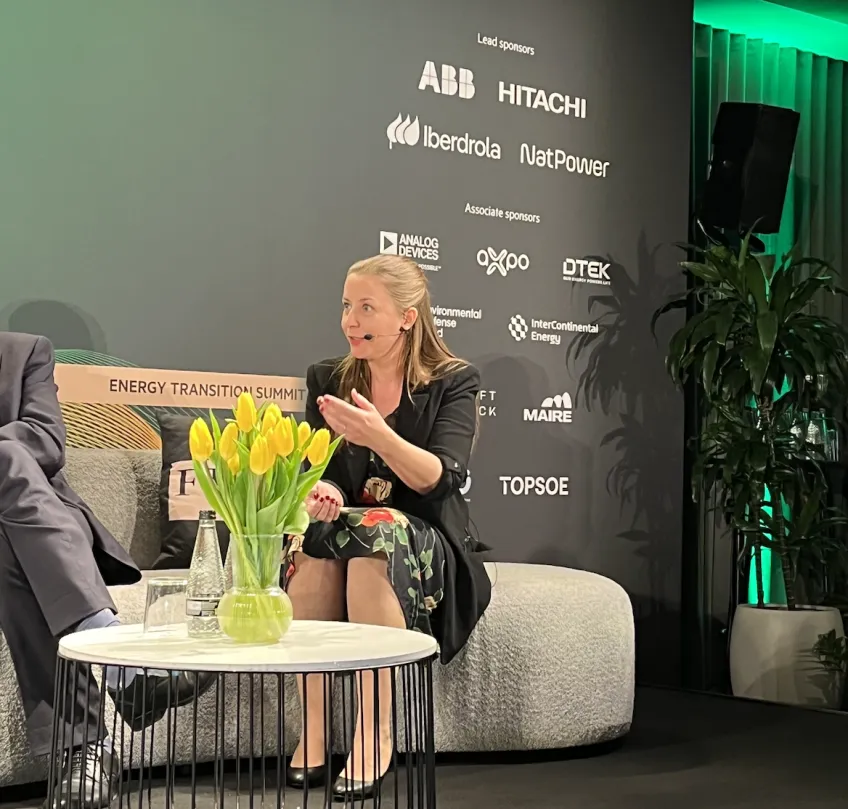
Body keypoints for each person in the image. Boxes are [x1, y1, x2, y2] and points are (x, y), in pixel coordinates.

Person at [285, 255, 491, 800]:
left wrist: (380, 437)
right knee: (315, 541)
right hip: (345, 529)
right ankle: (314, 727)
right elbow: (316, 468)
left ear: (406, 317)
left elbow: (440, 479)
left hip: (424, 540)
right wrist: (318, 489)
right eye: (347, 307)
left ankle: (374, 731)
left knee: (374, 535)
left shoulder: (453, 381)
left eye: (366, 308)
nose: (351, 320)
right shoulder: (327, 378)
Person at [0, 331, 211, 809]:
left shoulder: (24, 351)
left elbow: (47, 442)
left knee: (10, 539)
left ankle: (82, 748)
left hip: (19, 525)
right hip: (31, 524)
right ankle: (123, 668)